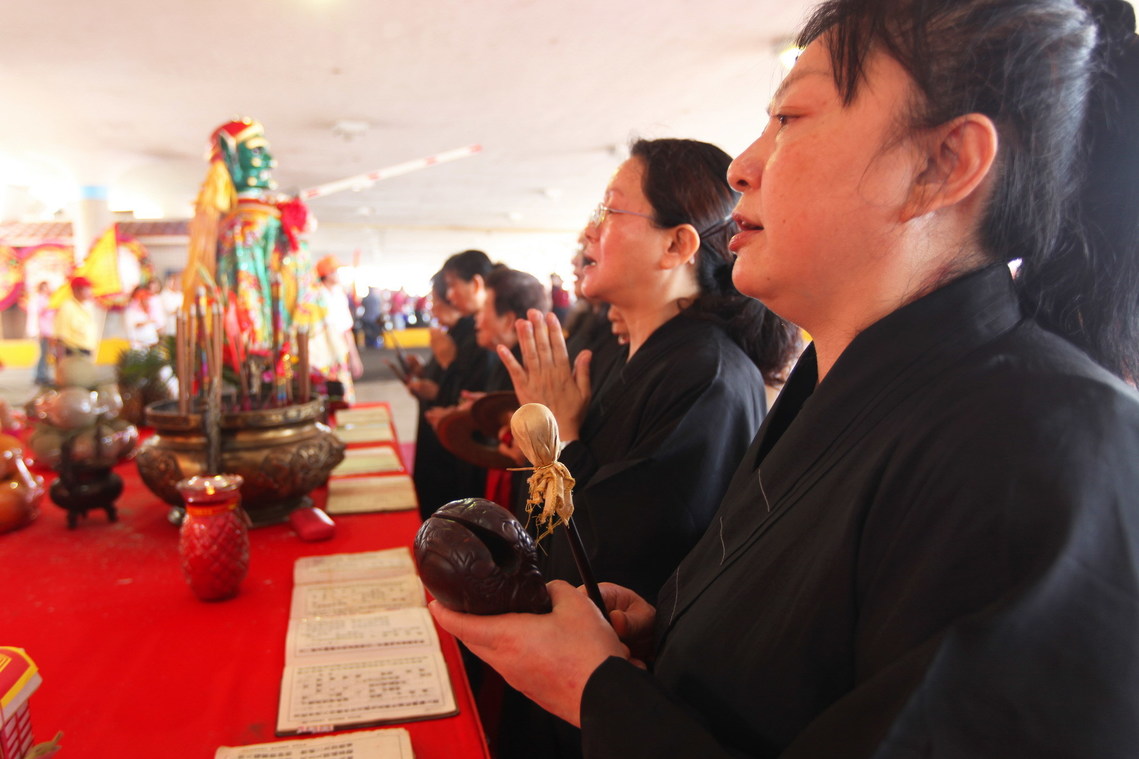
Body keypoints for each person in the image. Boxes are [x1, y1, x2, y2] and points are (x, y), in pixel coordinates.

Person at [431, 1, 1139, 757]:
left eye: (790, 118)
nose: (741, 166)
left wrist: (598, 690)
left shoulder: (1051, 448)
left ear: (943, 164)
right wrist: (670, 641)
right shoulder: (833, 383)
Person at [308, 255, 363, 404]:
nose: (339, 275)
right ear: (327, 274)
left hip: (339, 350)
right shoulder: (315, 296)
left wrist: (354, 356)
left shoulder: (339, 294)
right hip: (321, 355)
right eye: (336, 271)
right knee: (324, 394)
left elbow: (346, 329)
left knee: (342, 394)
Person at [53, 275, 97, 360]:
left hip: (85, 354)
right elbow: (60, 339)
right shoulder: (67, 308)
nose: (90, 292)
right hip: (73, 355)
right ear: (76, 290)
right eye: (86, 289)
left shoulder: (85, 307)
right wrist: (60, 363)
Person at [26, 281, 55, 386]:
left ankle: (43, 375)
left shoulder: (46, 299)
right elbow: (37, 317)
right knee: (42, 354)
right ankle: (40, 376)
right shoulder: (38, 300)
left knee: (46, 354)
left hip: (47, 331)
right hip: (43, 332)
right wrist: (39, 331)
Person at [124, 285, 160, 349]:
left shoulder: (149, 310)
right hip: (138, 345)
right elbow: (135, 324)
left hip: (151, 343)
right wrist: (148, 321)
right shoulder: (132, 311)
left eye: (147, 299)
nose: (147, 301)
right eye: (145, 299)